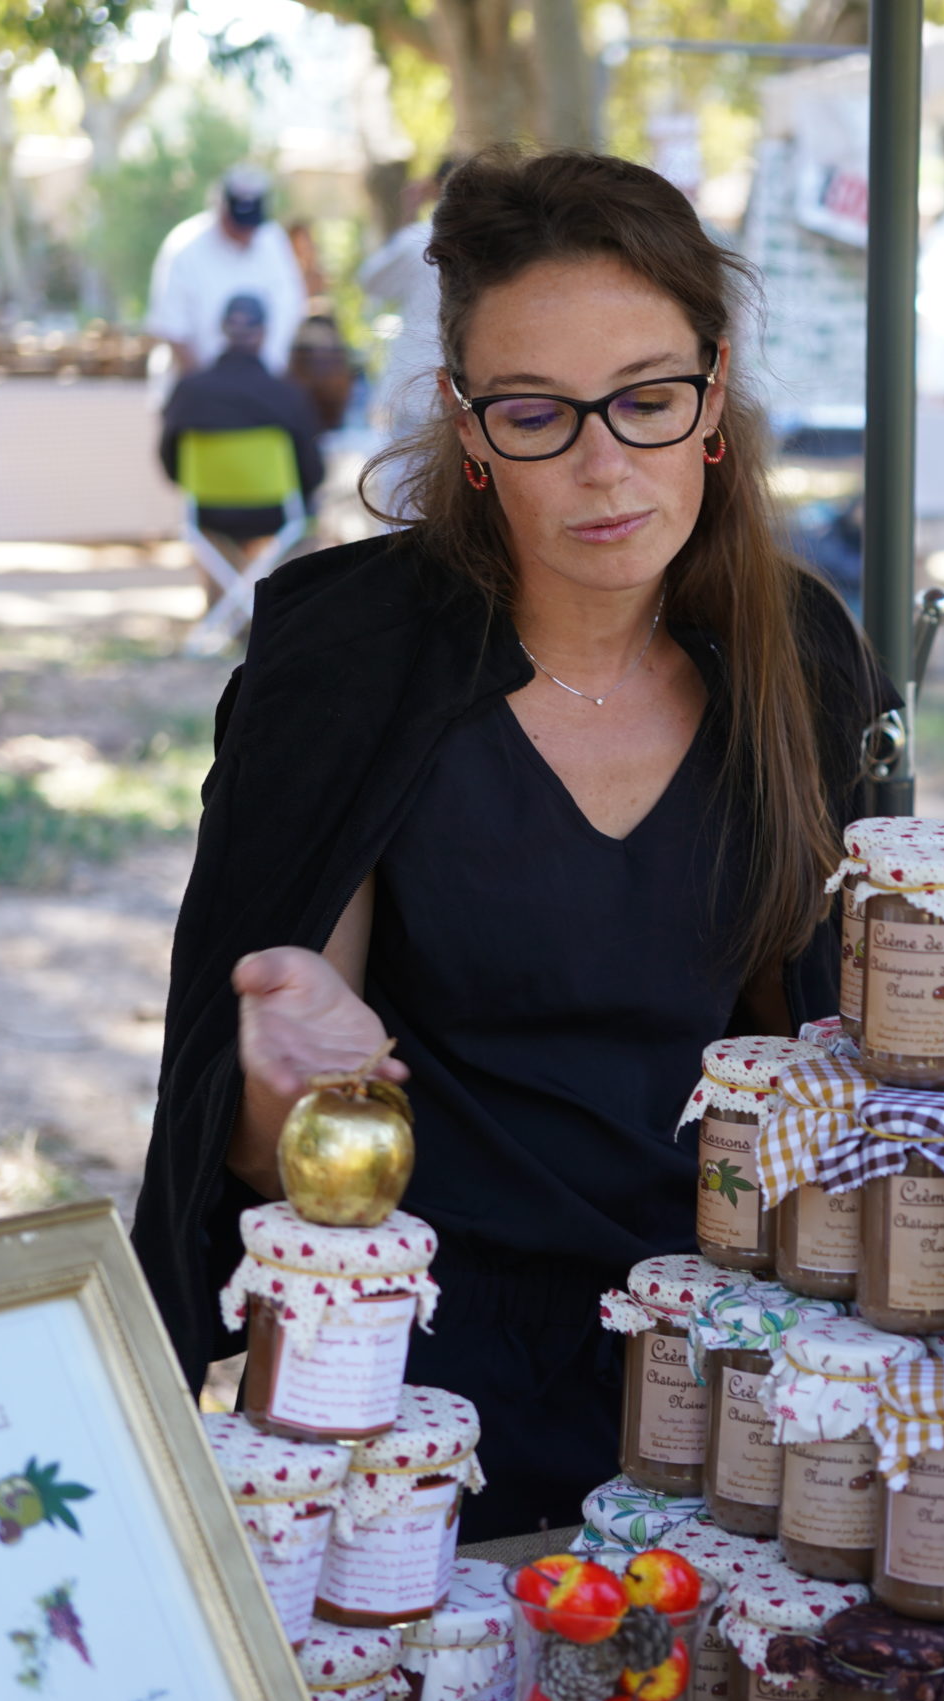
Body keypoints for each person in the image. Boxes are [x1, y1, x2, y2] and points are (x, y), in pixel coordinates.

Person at [131, 148, 897, 1540]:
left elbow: (823, 1058)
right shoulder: (351, 661)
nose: (605, 465)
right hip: (415, 1384)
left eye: (649, 401)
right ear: (467, 425)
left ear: (713, 396)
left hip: (717, 1377)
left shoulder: (797, 652)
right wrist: (290, 1073)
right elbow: (266, 1154)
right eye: (538, 413)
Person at [158, 294, 326, 605]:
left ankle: (223, 611)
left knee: (213, 536)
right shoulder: (287, 395)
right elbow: (312, 473)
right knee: (309, 522)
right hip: (274, 514)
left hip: (208, 511)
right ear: (264, 332)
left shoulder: (189, 392)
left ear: (222, 329)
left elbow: (170, 463)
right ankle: (277, 612)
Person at [145, 164, 308, 378]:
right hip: (198, 392)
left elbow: (292, 308)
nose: (244, 232)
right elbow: (172, 328)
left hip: (261, 389)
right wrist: (211, 389)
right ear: (219, 208)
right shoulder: (185, 246)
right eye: (237, 222)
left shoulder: (274, 241)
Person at [358, 159, 459, 440]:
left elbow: (371, 281)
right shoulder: (501, 244)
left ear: (435, 189)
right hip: (470, 381)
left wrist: (408, 216)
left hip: (417, 381)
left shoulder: (419, 239)